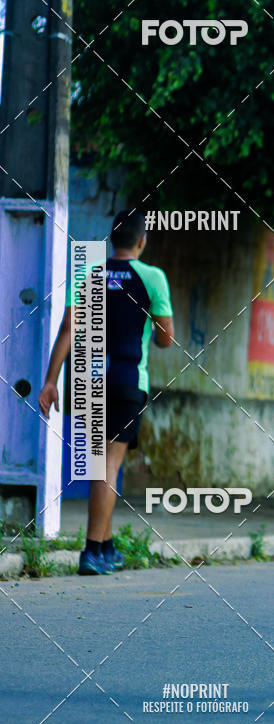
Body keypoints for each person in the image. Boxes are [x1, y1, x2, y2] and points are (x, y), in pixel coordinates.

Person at [38, 210, 174, 575]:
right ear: (141, 241)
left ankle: (108, 546)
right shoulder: (153, 278)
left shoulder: (88, 273)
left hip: (88, 380)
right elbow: (166, 338)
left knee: (104, 466)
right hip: (128, 381)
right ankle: (92, 550)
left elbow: (68, 328)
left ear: (111, 240)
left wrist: (51, 380)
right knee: (107, 466)